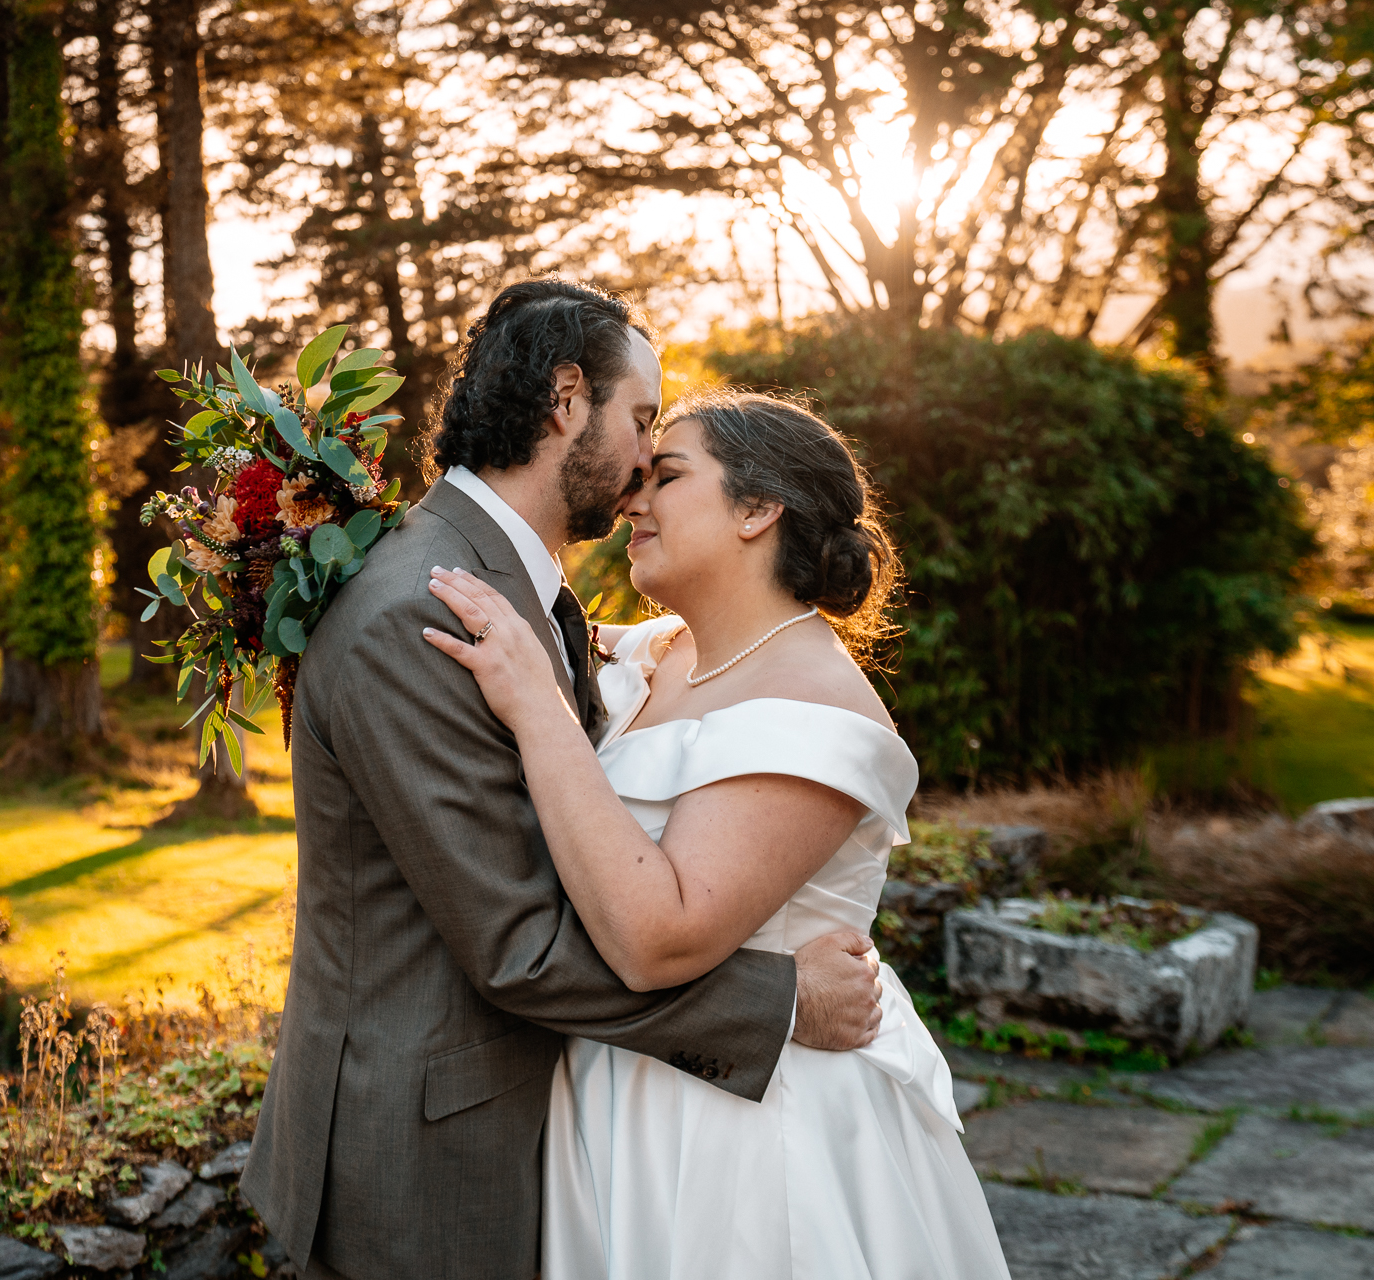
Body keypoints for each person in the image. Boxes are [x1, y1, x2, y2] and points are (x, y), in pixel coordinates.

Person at [240, 279, 887, 1280]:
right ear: (568, 401)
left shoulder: (515, 591)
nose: (642, 469)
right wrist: (778, 1001)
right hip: (420, 1154)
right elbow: (518, 945)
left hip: (557, 1127)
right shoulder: (421, 615)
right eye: (640, 422)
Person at [423, 389, 1012, 1279]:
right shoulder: (660, 652)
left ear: (755, 508)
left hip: (743, 1133)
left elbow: (659, 938)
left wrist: (534, 707)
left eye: (667, 475)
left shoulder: (817, 706)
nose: (632, 499)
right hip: (614, 1102)